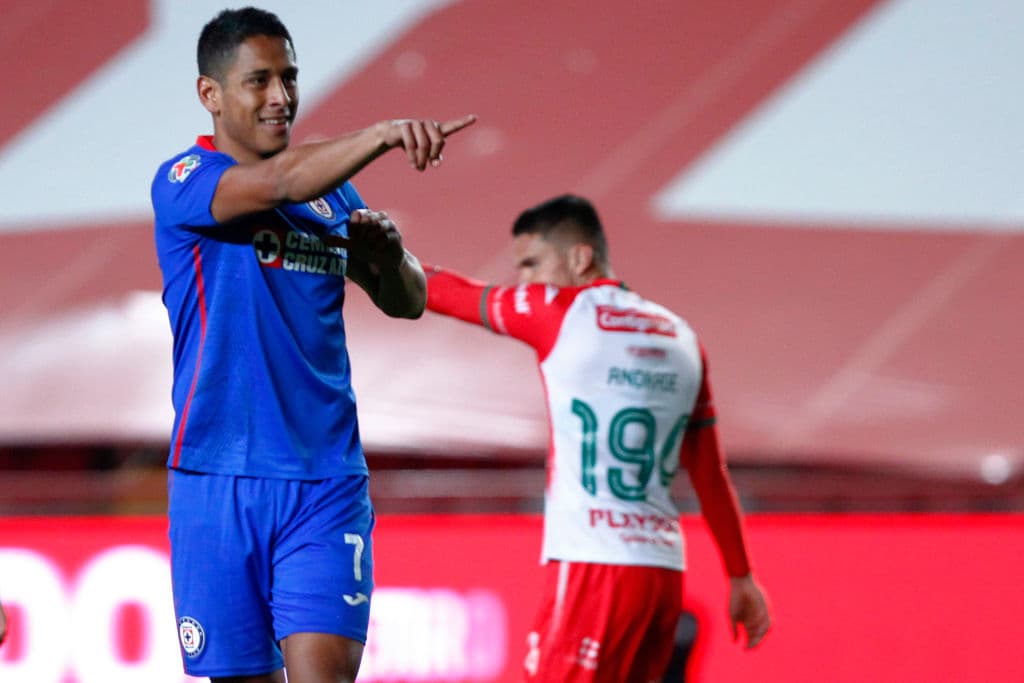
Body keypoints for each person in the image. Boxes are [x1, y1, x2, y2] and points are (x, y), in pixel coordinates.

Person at [150, 7, 474, 683]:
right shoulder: (185, 182)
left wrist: (386, 258)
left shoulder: (330, 196)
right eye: (259, 80)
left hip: (324, 478)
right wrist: (387, 132)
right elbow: (275, 184)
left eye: (289, 78)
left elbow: (406, 299)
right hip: (217, 475)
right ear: (210, 95)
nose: (281, 97)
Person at [423, 195, 772, 682]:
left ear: (579, 258)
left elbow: (445, 292)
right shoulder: (682, 336)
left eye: (532, 263)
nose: (523, 279)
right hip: (661, 574)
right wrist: (740, 575)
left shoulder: (558, 312)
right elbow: (710, 475)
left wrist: (353, 248)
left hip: (593, 563)